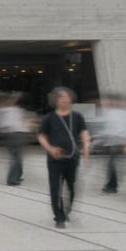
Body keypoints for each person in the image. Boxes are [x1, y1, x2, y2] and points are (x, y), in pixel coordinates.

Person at [36, 87, 90, 228]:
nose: (65, 100)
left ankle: (67, 209)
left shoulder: (77, 116)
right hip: (55, 159)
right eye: (62, 98)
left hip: (72, 157)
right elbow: (41, 136)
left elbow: (83, 132)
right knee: (55, 188)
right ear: (55, 100)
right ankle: (59, 217)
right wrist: (50, 149)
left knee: (71, 187)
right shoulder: (49, 118)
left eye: (67, 97)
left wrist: (86, 148)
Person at [96, 92, 126, 195]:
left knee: (112, 164)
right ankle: (111, 185)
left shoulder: (125, 114)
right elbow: (108, 129)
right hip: (112, 143)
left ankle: (112, 186)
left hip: (120, 143)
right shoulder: (111, 113)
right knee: (111, 165)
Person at [0, 92, 28, 186]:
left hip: (15, 134)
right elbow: (7, 123)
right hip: (14, 134)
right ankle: (12, 179)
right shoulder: (5, 110)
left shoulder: (9, 109)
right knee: (15, 157)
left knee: (17, 157)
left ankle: (17, 176)